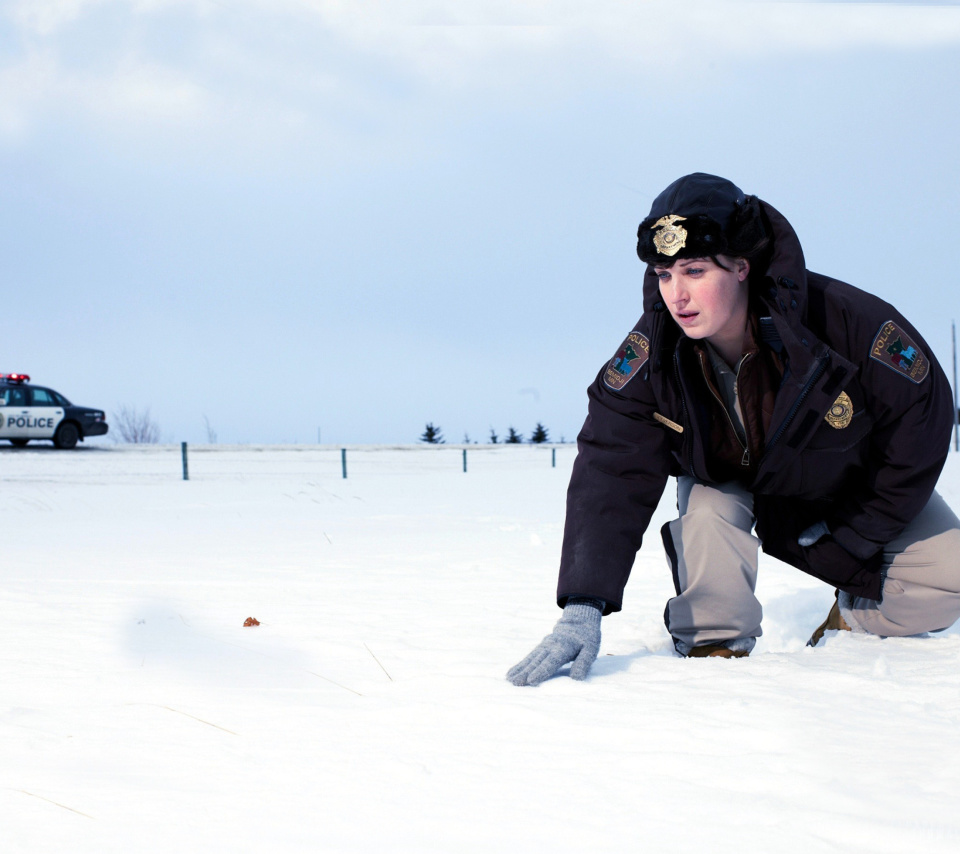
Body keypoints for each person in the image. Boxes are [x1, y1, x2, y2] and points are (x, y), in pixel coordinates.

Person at [508, 172, 960, 687]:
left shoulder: (846, 322)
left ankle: (852, 620)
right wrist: (583, 605)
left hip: (845, 484)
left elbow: (919, 424)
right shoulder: (651, 351)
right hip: (727, 485)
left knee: (949, 581)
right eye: (663, 274)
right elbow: (611, 462)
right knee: (709, 527)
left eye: (695, 270)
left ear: (742, 267)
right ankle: (716, 662)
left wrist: (857, 536)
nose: (677, 295)